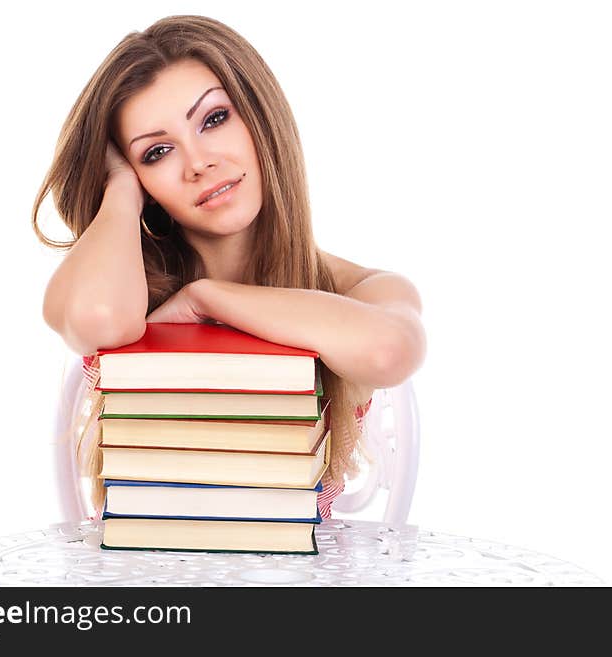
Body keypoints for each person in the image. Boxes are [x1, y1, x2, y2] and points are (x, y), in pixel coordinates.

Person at [31, 15, 426, 521]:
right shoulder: (127, 293)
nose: (197, 162)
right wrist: (120, 190)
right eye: (156, 152)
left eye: (214, 119)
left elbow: (390, 350)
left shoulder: (359, 290)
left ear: (260, 118)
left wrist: (208, 297)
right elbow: (99, 318)